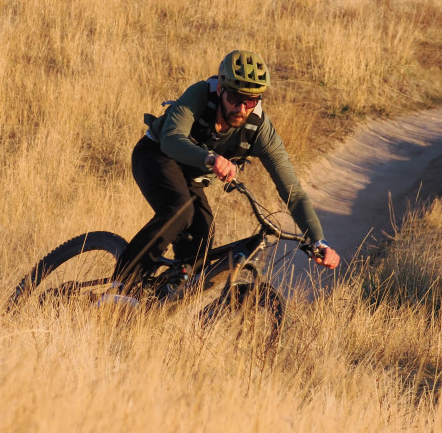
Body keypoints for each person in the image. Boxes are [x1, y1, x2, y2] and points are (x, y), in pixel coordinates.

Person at [114, 49, 340, 283]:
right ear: (221, 89)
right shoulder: (201, 95)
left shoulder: (259, 130)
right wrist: (210, 158)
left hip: (190, 175)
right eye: (234, 99)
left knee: (202, 237)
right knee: (179, 210)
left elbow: (293, 192)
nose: (241, 109)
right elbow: (171, 138)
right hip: (156, 155)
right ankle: (122, 283)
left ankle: (166, 295)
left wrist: (318, 241)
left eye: (250, 101)